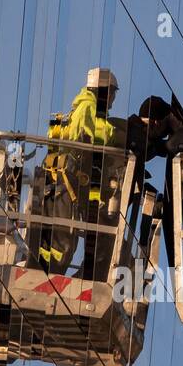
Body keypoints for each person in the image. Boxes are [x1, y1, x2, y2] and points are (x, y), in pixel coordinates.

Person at [29, 68, 121, 275]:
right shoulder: (87, 107)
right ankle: (49, 275)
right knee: (62, 242)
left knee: (62, 239)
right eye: (112, 93)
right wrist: (118, 133)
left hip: (61, 182)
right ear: (103, 90)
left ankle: (49, 272)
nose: (113, 100)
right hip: (63, 182)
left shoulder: (82, 107)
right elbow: (94, 133)